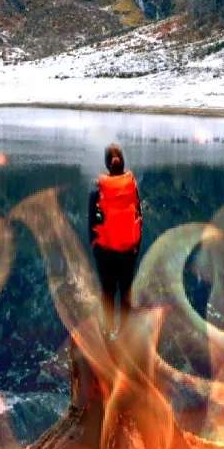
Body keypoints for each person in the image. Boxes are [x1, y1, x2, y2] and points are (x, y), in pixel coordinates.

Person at [88, 144, 142, 339]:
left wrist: (95, 246)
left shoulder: (98, 192)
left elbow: (92, 223)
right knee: (125, 291)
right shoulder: (132, 188)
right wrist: (135, 245)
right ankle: (125, 333)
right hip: (128, 250)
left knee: (108, 293)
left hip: (106, 252)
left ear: (107, 165)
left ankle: (107, 332)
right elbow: (138, 217)